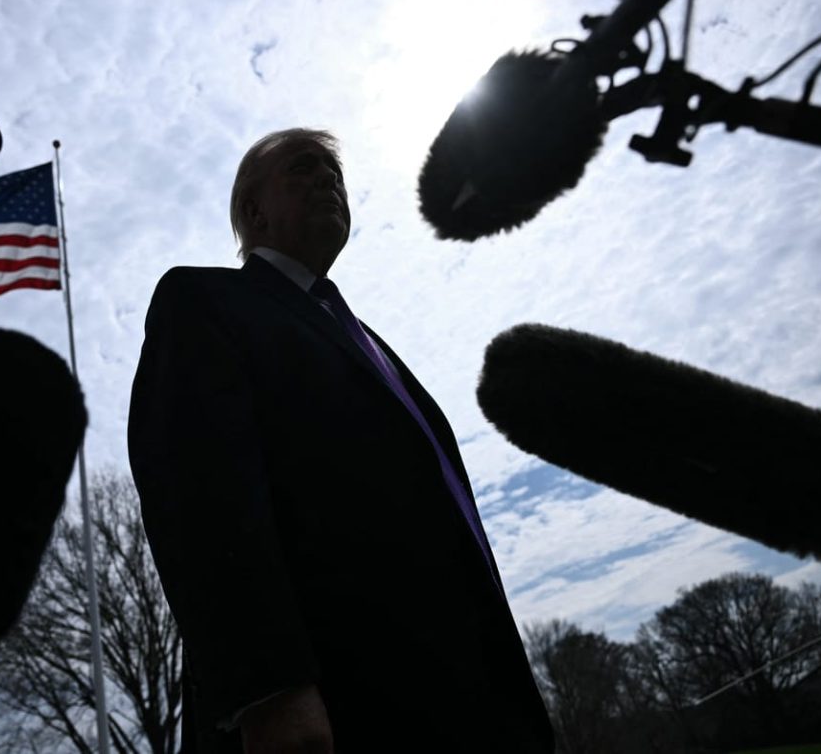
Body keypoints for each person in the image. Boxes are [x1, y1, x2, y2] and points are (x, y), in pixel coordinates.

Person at [128, 128, 554, 753]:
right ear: (254, 211)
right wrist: (269, 689)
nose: (328, 179)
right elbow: (196, 492)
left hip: (475, 702)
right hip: (345, 710)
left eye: (335, 172)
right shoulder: (203, 302)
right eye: (304, 167)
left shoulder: (373, 345)